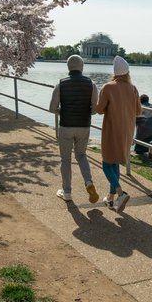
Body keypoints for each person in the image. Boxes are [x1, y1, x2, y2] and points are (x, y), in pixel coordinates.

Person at [48, 55, 101, 204]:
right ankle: (88, 182)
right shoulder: (91, 84)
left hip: (66, 126)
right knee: (82, 155)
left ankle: (67, 192)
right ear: (82, 67)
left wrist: (62, 112)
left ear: (68, 67)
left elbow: (52, 108)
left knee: (65, 159)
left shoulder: (60, 84)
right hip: (84, 126)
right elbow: (95, 109)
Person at [95, 56, 142, 213]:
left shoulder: (108, 87)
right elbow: (138, 111)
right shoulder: (133, 88)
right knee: (114, 163)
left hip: (112, 129)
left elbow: (99, 110)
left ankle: (121, 193)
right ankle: (110, 198)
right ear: (128, 72)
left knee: (107, 163)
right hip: (127, 130)